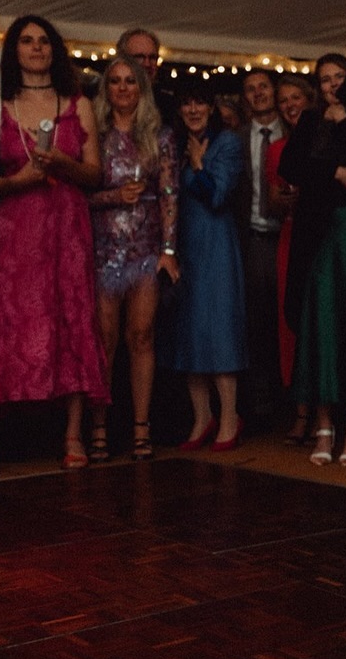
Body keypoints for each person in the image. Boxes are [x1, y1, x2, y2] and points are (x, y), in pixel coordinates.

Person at [0, 16, 107, 473]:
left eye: (43, 41)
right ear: (13, 51)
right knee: (6, 324)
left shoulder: (78, 104)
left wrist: (64, 165)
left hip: (67, 230)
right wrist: (22, 179)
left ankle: (73, 435)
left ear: (55, 50)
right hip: (17, 231)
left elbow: (95, 174)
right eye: (26, 41)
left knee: (71, 321)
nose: (35, 48)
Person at [280, 55, 346, 465]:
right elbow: (291, 166)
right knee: (320, 326)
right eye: (323, 80)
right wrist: (335, 171)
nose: (330, 86)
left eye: (338, 77)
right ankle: (324, 426)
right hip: (318, 236)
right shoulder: (310, 121)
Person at [86, 57, 178, 461]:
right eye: (115, 82)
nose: (122, 88)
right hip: (103, 249)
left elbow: (171, 195)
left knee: (141, 338)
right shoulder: (94, 135)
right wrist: (111, 196)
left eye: (130, 82)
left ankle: (142, 427)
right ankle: (99, 427)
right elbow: (75, 194)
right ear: (106, 90)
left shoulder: (160, 136)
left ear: (142, 89)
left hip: (145, 248)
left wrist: (169, 251)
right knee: (104, 342)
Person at [159, 74, 246, 450]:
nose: (193, 110)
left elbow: (217, 195)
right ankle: (202, 417)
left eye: (200, 103)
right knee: (188, 334)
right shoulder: (174, 142)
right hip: (183, 245)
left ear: (211, 107)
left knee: (220, 332)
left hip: (216, 243)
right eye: (186, 103)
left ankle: (229, 417)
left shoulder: (226, 141)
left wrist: (196, 167)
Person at [237, 67, 286, 431]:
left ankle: (289, 403)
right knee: (256, 325)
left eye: (263, 87)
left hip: (288, 236)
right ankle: (261, 406)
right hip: (251, 239)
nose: (258, 94)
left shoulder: (294, 132)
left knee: (287, 321)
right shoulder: (235, 138)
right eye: (251, 89)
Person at [268, 73, 315, 444]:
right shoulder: (277, 148)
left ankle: (325, 412)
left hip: (322, 239)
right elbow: (272, 200)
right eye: (283, 100)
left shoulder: (324, 138)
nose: (289, 105)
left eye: (295, 97)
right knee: (291, 326)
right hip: (290, 236)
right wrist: (283, 199)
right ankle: (300, 413)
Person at [116, 27, 175, 121]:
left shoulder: (169, 105)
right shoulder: (108, 102)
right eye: (139, 57)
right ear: (122, 60)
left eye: (152, 57)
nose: (147, 64)